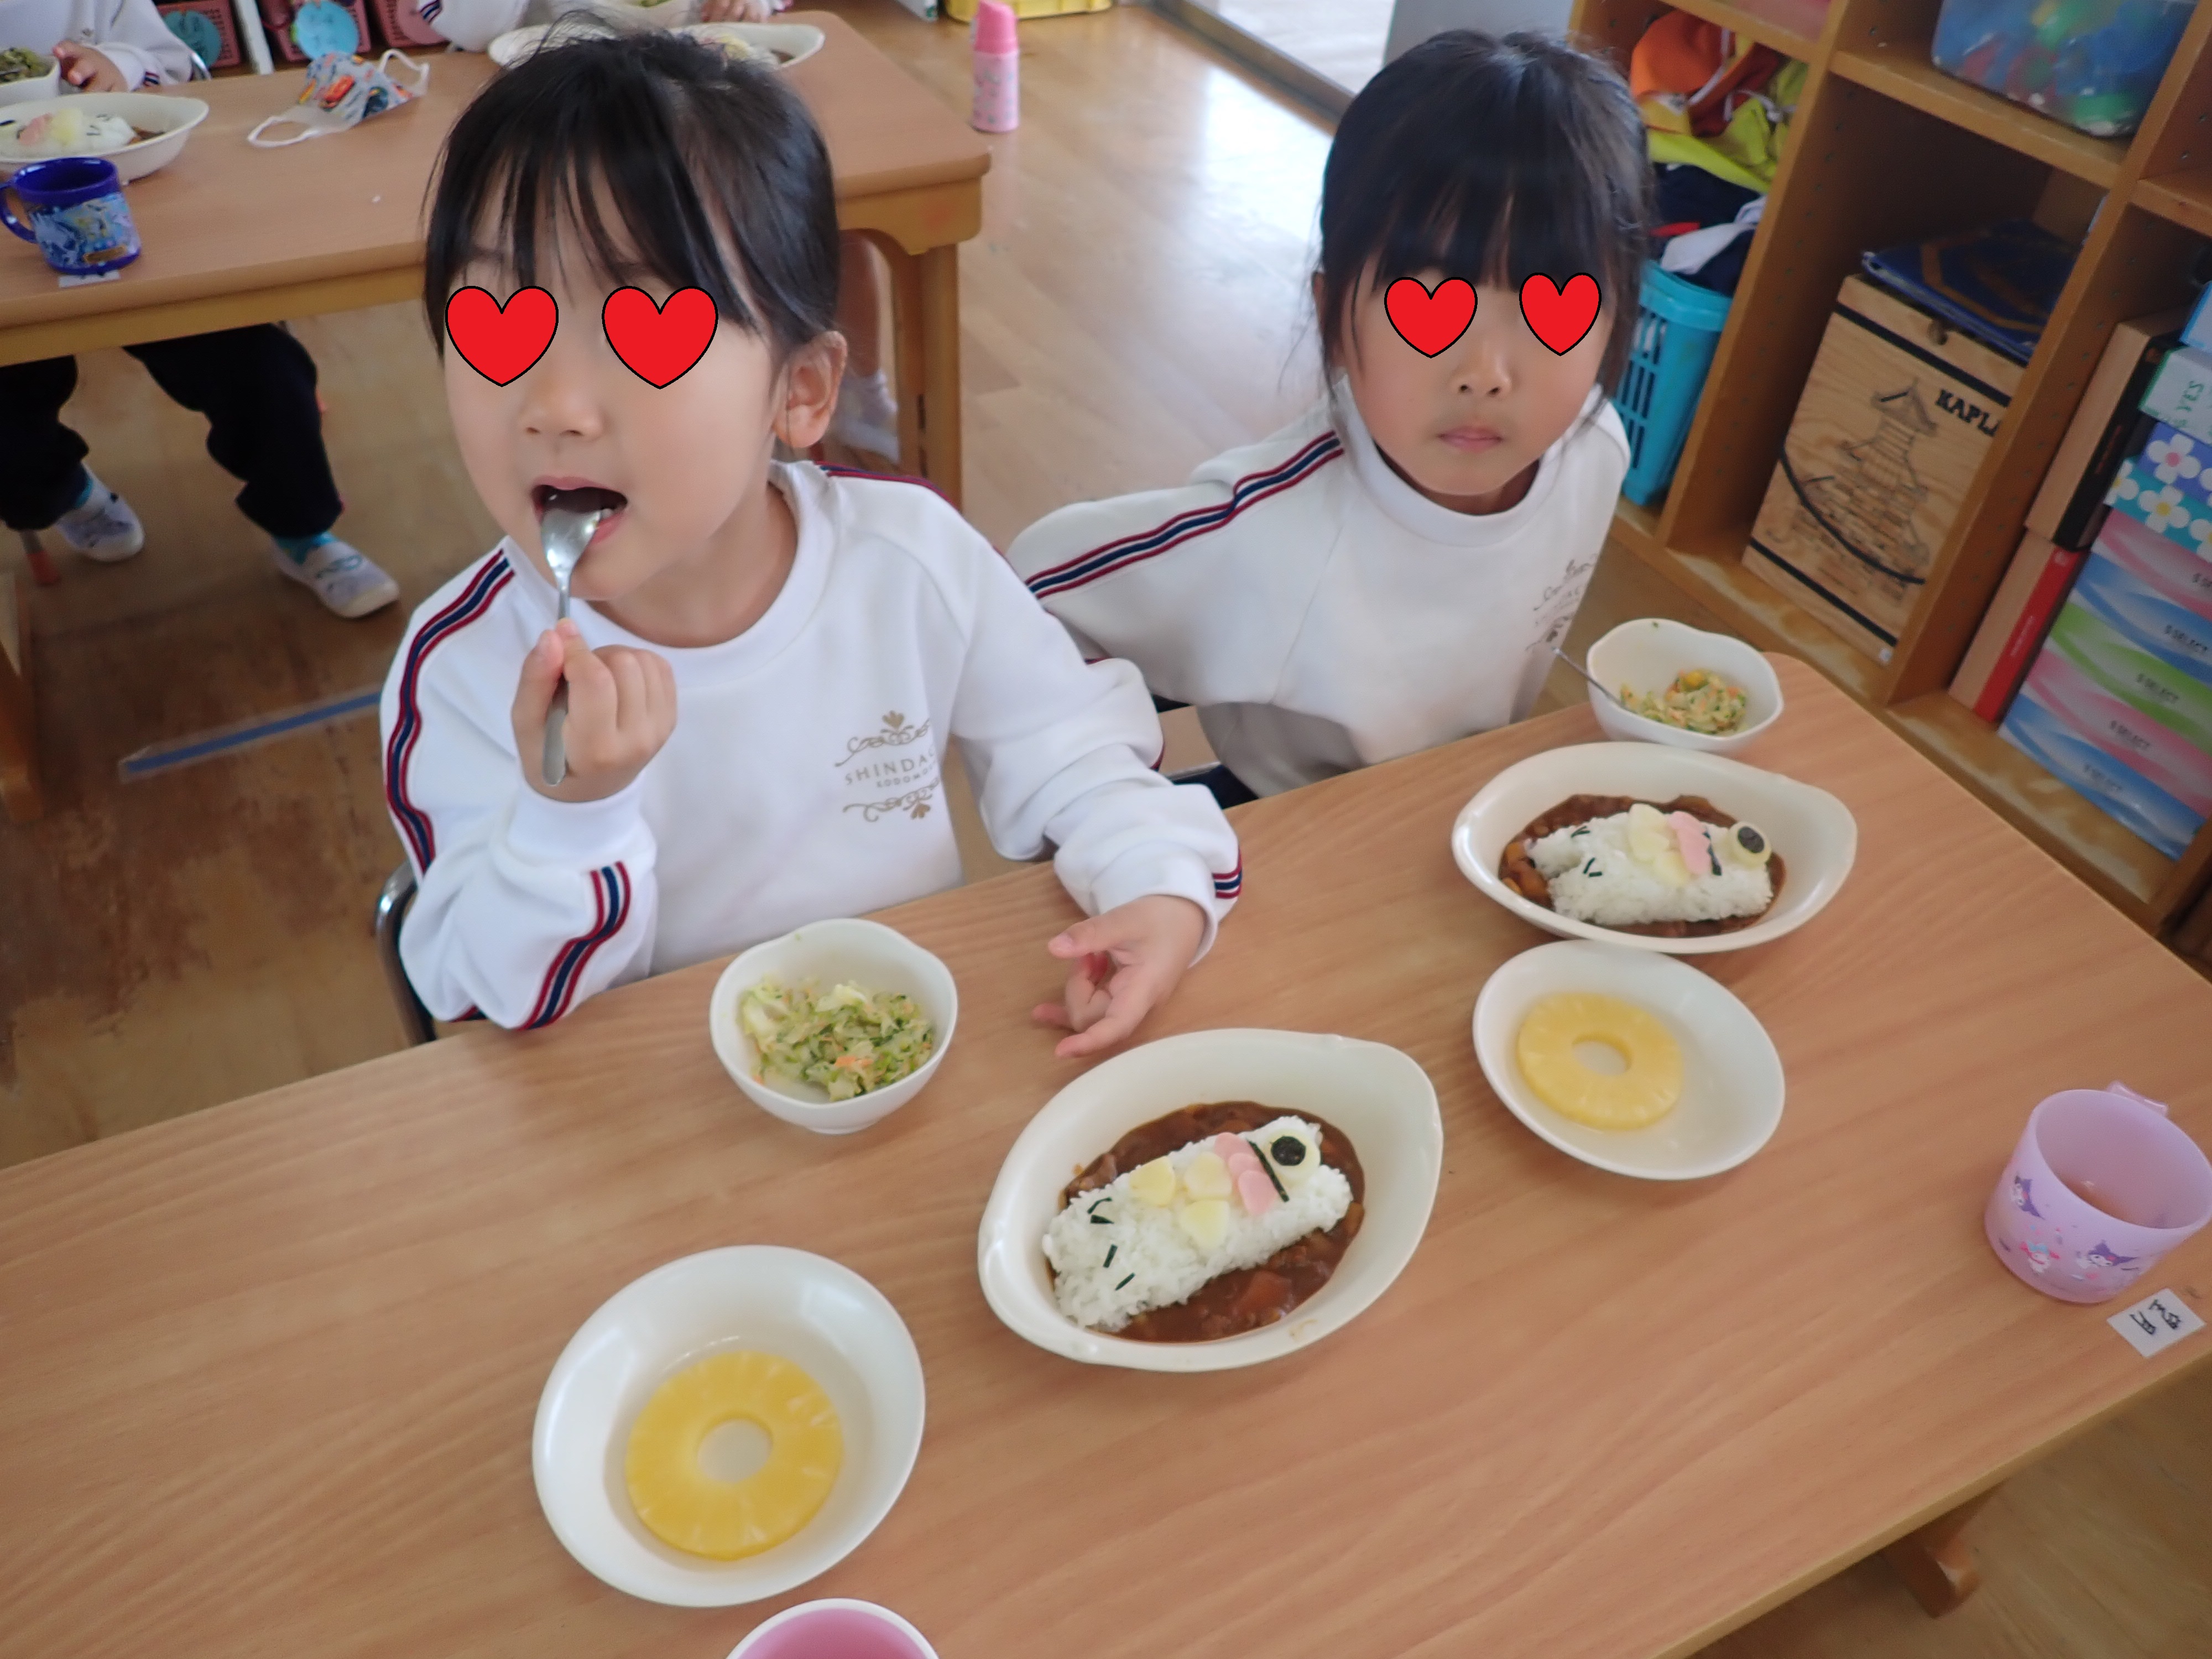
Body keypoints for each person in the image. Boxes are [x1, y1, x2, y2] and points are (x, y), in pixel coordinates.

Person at [382, 34, 1240, 1048]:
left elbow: (1078, 756)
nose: (555, 408)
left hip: (896, 1070)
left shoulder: (906, 561)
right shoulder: (468, 666)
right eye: (496, 317)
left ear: (799, 390)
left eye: (643, 326)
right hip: (634, 1106)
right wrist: (570, 817)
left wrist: (1156, 883)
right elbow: (487, 996)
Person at [1006, 30, 1650, 806]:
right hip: (1294, 832)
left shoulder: (1595, 451)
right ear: (1331, 315)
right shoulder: (1269, 531)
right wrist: (1111, 806)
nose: (1486, 374)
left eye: (1552, 309)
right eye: (1428, 303)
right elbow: (1031, 589)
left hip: (1464, 806)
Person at [0, 2, 403, 618]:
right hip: (10, 252)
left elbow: (178, 64)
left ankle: (303, 531)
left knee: (261, 370)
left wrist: (120, 64)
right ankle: (65, 493)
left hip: (136, 210)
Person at [414, 0, 899, 459]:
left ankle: (864, 401)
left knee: (838, 234)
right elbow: (469, 27)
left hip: (702, 118)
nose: (557, 412)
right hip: (543, 132)